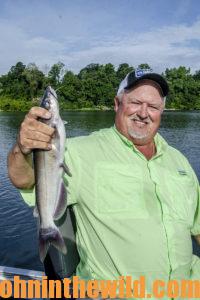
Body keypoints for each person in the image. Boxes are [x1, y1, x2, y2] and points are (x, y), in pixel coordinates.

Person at [7, 69, 200, 300]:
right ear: (117, 104)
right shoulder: (79, 152)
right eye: (136, 102)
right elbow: (23, 179)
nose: (144, 113)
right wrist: (22, 147)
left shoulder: (178, 160)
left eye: (154, 106)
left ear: (162, 112)